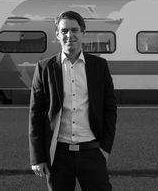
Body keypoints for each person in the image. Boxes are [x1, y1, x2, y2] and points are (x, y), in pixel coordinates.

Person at [29, 10, 117, 191]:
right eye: (64, 31)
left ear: (83, 32)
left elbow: (110, 109)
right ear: (57, 35)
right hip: (58, 155)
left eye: (75, 30)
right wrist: (38, 157)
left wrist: (105, 149)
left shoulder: (99, 66)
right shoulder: (44, 68)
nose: (70, 35)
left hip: (92, 152)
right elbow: (35, 114)